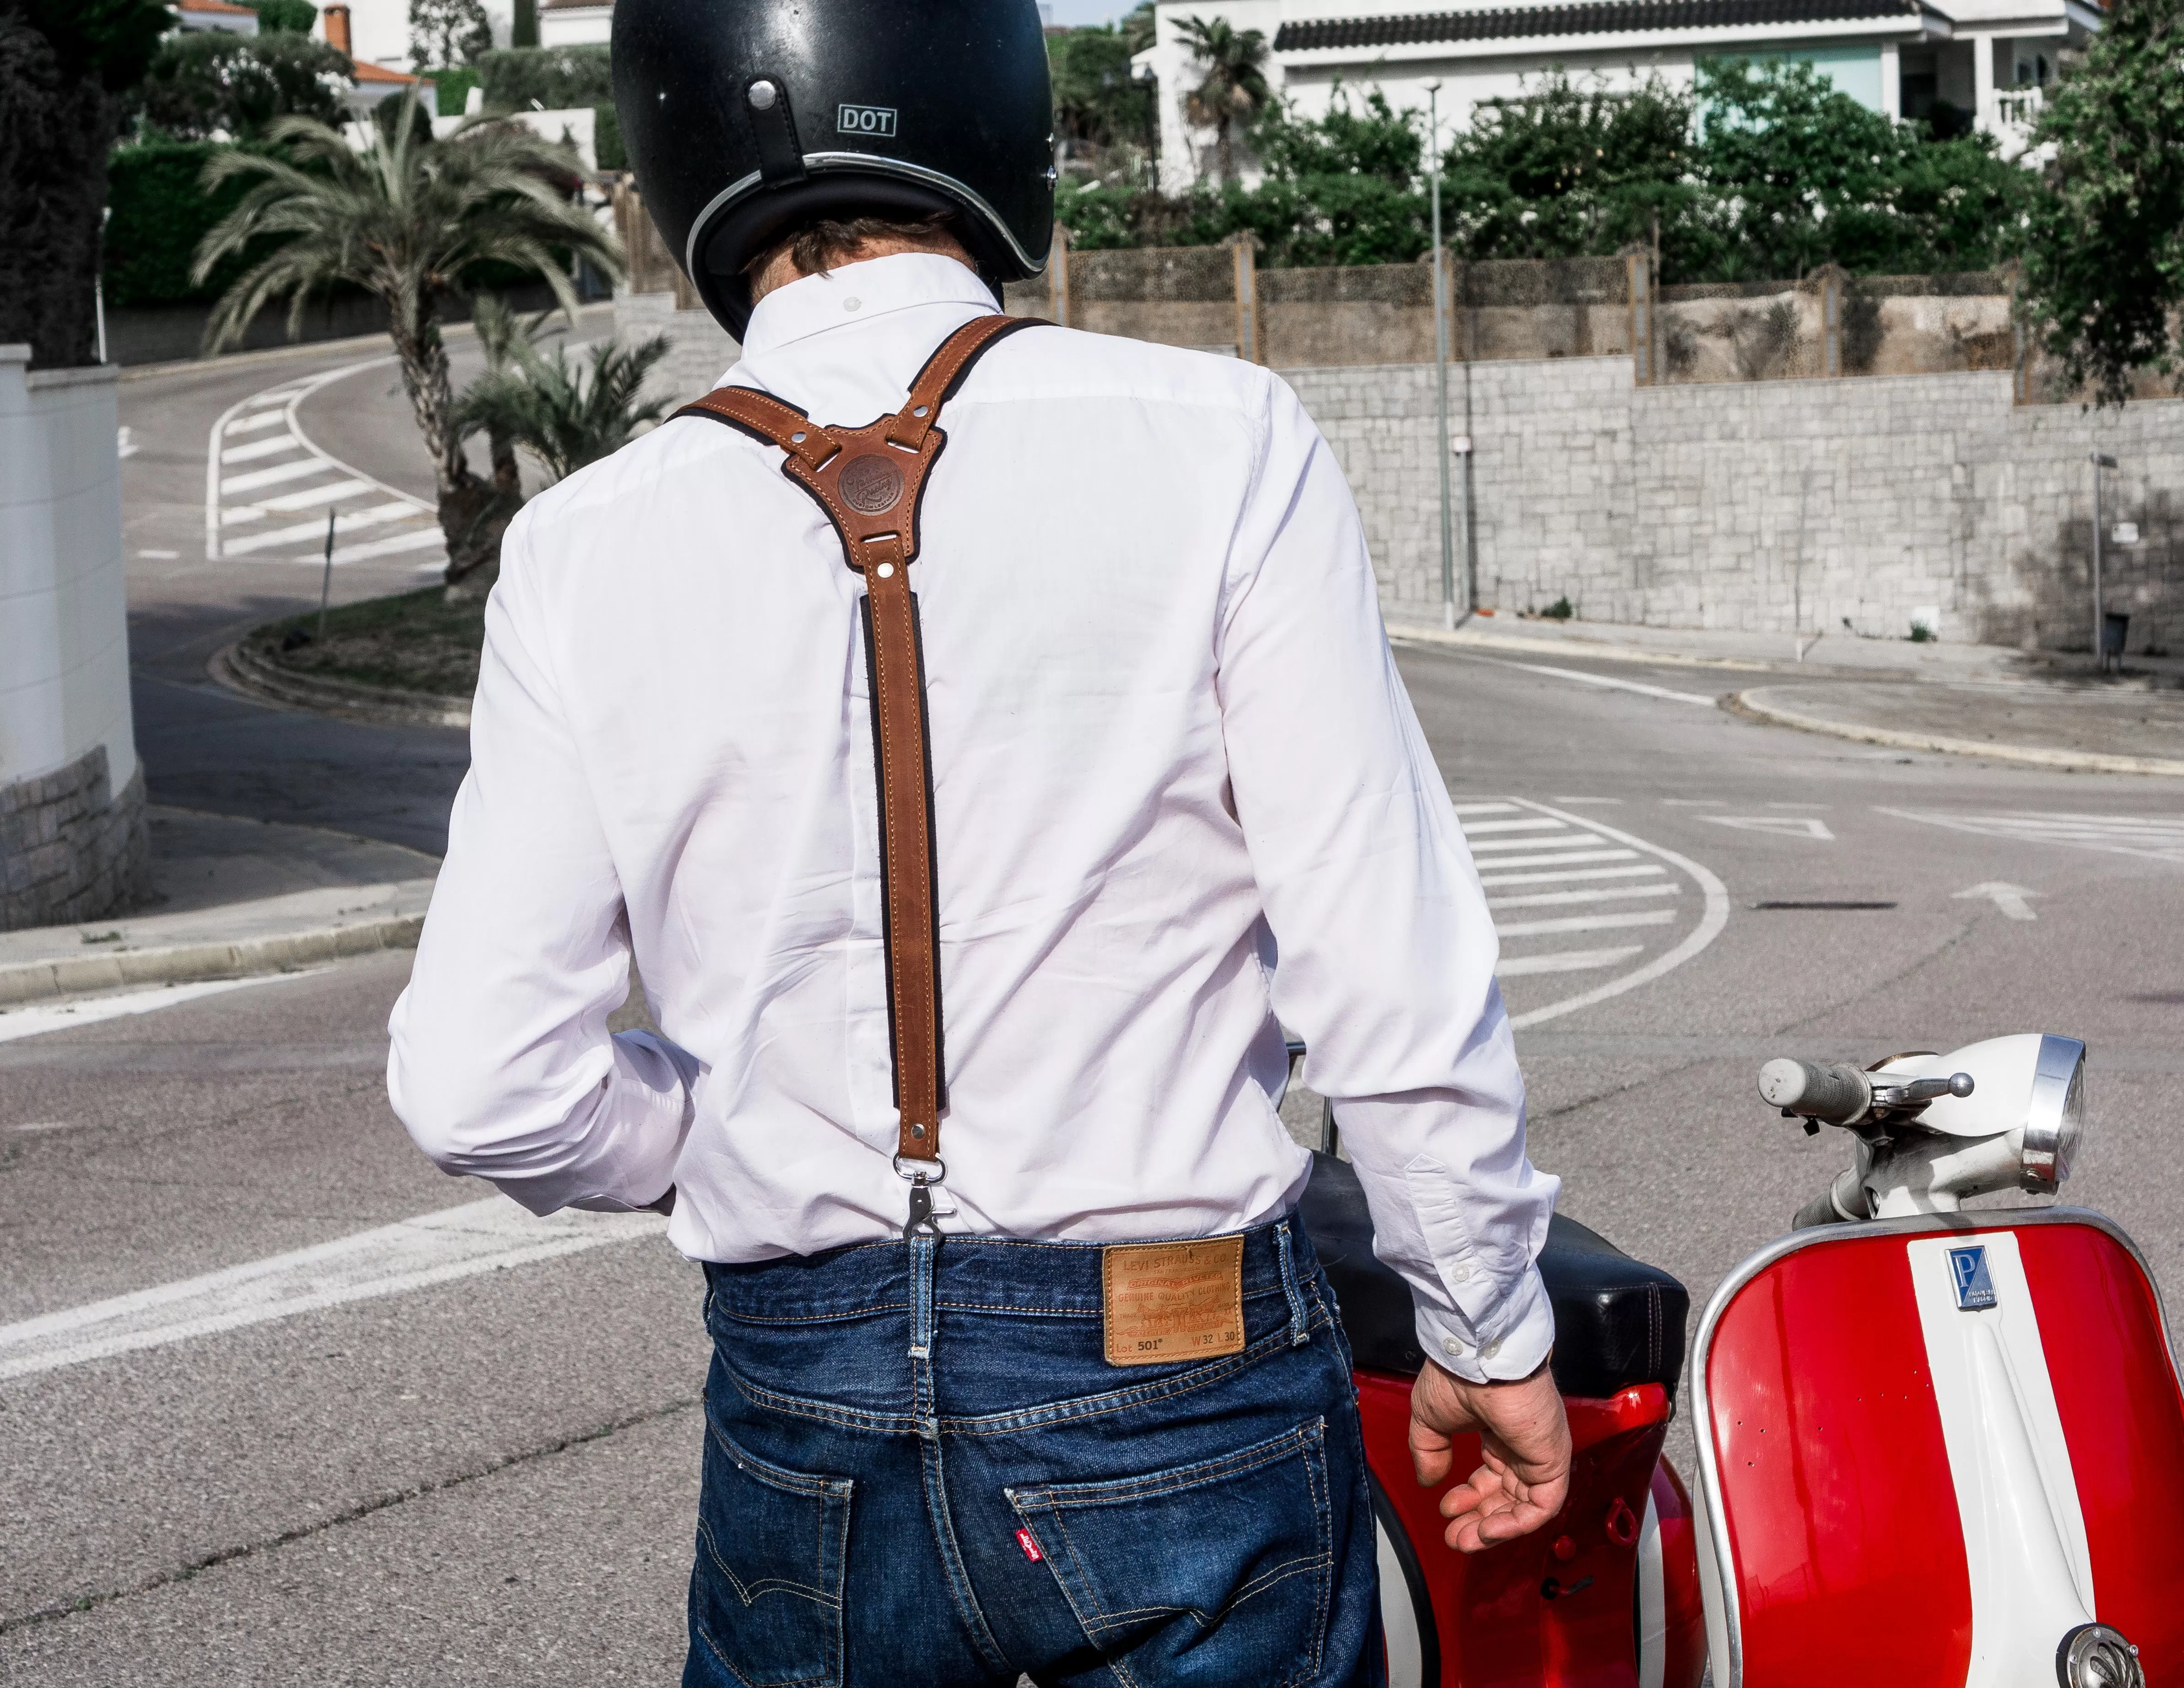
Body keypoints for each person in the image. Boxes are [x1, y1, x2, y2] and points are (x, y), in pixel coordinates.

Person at [387, 0, 1569, 1681]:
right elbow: (1382, 960)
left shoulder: (581, 549)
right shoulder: (1221, 438)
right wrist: (1483, 1320)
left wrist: (721, 1131)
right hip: (1178, 1368)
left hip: (804, 1404)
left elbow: (476, 1080)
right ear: (993, 102)